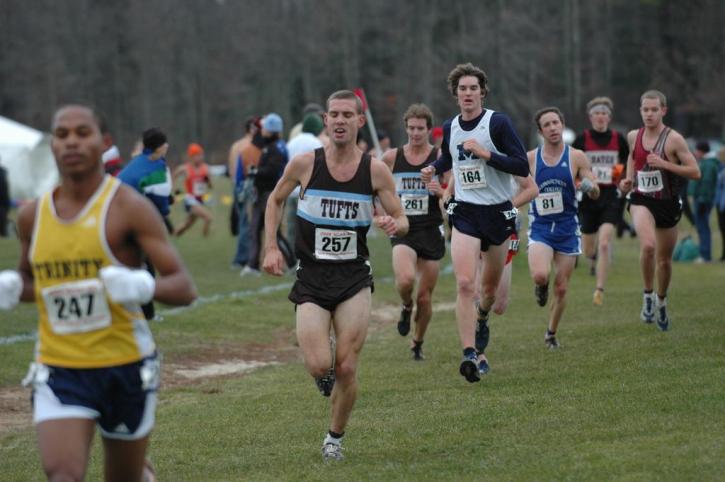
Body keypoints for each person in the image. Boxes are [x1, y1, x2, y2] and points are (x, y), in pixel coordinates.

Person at [0, 104, 196, 481]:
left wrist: (144, 285)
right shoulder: (32, 216)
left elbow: (185, 287)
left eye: (82, 132)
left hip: (124, 365)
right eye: (61, 135)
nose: (71, 141)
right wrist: (14, 286)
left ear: (104, 143)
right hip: (60, 367)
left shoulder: (129, 209)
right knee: (63, 474)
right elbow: (31, 281)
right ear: (52, 147)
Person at [262, 90, 408, 461]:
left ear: (360, 121)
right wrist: (270, 247)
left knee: (345, 365)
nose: (340, 120)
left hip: (353, 279)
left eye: (348, 114)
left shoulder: (374, 170)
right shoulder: (304, 164)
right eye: (334, 114)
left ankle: (334, 439)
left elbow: (404, 220)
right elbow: (275, 199)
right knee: (319, 365)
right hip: (311, 277)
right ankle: (322, 375)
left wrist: (395, 222)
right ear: (325, 121)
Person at [421, 62, 530, 383]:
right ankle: (469, 353)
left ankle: (482, 318)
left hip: (497, 214)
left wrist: (487, 154)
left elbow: (521, 165)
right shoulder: (450, 125)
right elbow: (447, 159)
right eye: (462, 89)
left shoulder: (498, 123)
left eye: (472, 88)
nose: (467, 94)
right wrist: (432, 168)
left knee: (489, 291)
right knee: (465, 283)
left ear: (482, 92)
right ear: (455, 95)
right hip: (465, 213)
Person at [619, 90, 700, 331]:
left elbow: (695, 172)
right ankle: (647, 295)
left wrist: (665, 164)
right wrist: (628, 179)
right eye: (645, 110)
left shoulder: (674, 139)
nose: (649, 114)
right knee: (648, 246)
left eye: (654, 110)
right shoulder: (634, 136)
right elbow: (633, 158)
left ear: (663, 111)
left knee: (664, 261)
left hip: (668, 202)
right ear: (640, 111)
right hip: (642, 199)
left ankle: (661, 301)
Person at [442, 171, 538, 369]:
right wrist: (454, 209)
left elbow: (532, 189)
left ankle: (482, 317)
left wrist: (509, 210)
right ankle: (477, 353)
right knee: (471, 290)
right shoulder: (465, 156)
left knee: (498, 303)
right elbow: (447, 195)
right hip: (471, 229)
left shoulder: (506, 154)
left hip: (501, 232)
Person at [528, 107, 600, 349]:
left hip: (568, 228)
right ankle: (540, 287)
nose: (553, 128)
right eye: (547, 125)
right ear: (540, 131)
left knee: (561, 288)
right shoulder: (530, 159)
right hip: (540, 227)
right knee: (540, 274)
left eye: (556, 123)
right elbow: (518, 189)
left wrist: (590, 187)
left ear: (562, 124)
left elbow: (596, 189)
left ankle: (551, 333)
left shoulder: (577, 156)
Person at [381, 103, 445, 361]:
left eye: (420, 128)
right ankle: (406, 306)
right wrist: (381, 212)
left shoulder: (440, 157)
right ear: (405, 128)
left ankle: (417, 342)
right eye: (411, 128)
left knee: (426, 298)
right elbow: (374, 187)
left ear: (429, 129)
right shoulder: (391, 158)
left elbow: (452, 191)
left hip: (431, 229)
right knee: (406, 280)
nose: (415, 133)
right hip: (403, 228)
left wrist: (439, 190)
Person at [572, 97, 630, 306]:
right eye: (596, 113)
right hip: (588, 198)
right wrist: (583, 181)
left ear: (609, 117)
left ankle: (599, 289)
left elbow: (625, 161)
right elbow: (573, 166)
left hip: (610, 196)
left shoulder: (618, 139)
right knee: (589, 249)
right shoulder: (581, 140)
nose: (600, 117)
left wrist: (617, 176)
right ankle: (593, 259)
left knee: (605, 242)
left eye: (604, 113)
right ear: (590, 117)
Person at [118, 127, 175, 320]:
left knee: (129, 264)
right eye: (164, 143)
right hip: (133, 220)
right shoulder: (157, 166)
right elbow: (161, 204)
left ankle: (129, 310)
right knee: (146, 267)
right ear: (160, 147)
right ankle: (147, 314)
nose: (167, 146)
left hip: (115, 218)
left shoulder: (137, 162)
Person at [243, 113, 295, 276]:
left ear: (271, 130)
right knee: (256, 228)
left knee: (275, 233)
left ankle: (293, 263)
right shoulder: (272, 145)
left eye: (265, 127)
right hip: (265, 194)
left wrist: (255, 172)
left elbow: (273, 172)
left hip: (270, 194)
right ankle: (252, 266)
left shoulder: (275, 148)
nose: (262, 130)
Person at [284, 113, 325, 249]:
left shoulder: (291, 142)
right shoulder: (316, 142)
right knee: (307, 228)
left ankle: (291, 260)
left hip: (290, 191)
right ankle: (305, 258)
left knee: (291, 228)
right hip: (308, 193)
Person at [228, 116, 261, 269]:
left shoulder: (236, 145)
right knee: (247, 223)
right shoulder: (251, 145)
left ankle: (246, 255)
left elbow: (231, 170)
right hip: (248, 185)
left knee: (243, 221)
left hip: (237, 185)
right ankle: (242, 258)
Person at [173, 143, 213, 237]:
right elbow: (174, 175)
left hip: (200, 199)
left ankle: (175, 234)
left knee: (187, 225)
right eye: (197, 155)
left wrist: (208, 181)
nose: (200, 157)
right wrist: (174, 188)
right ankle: (206, 239)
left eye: (201, 155)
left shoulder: (205, 168)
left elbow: (211, 186)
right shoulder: (185, 168)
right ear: (191, 156)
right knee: (208, 218)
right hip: (190, 200)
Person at [689, 140, 719, 262]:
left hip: (703, 200)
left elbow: (706, 184)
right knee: (701, 226)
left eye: (696, 150)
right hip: (702, 199)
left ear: (701, 151)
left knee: (703, 227)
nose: (695, 153)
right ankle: (704, 253)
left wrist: (702, 199)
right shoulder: (706, 163)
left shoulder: (707, 164)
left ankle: (705, 255)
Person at [714, 147, 725, 261]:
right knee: (722, 230)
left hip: (723, 204)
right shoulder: (720, 169)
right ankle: (723, 254)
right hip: (720, 204)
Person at [0, 157, 9, 237]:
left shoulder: (3, 171)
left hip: (3, 200)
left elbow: (5, 187)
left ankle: (4, 232)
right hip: (3, 201)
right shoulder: (3, 171)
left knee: (3, 217)